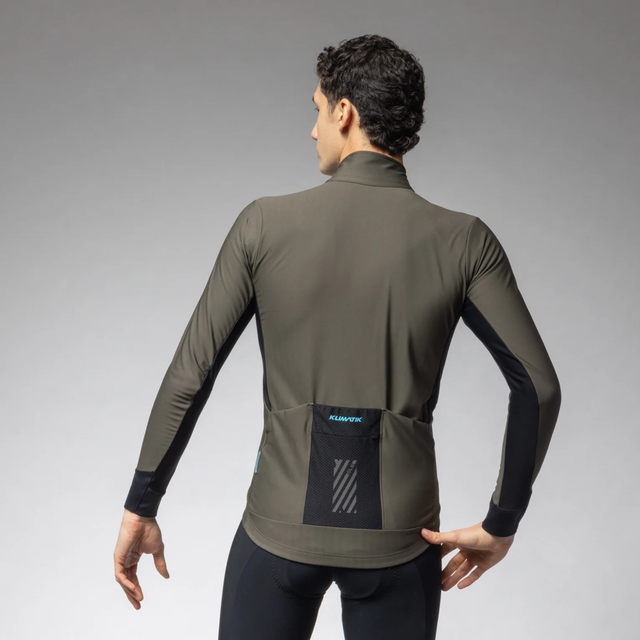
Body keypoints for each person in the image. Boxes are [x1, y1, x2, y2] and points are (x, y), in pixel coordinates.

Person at [113, 34, 561, 639]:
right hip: (401, 538)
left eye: (318, 109)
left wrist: (142, 504)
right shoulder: (465, 241)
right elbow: (538, 388)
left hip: (278, 525)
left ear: (345, 112)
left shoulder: (263, 225)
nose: (314, 128)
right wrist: (502, 521)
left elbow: (190, 376)